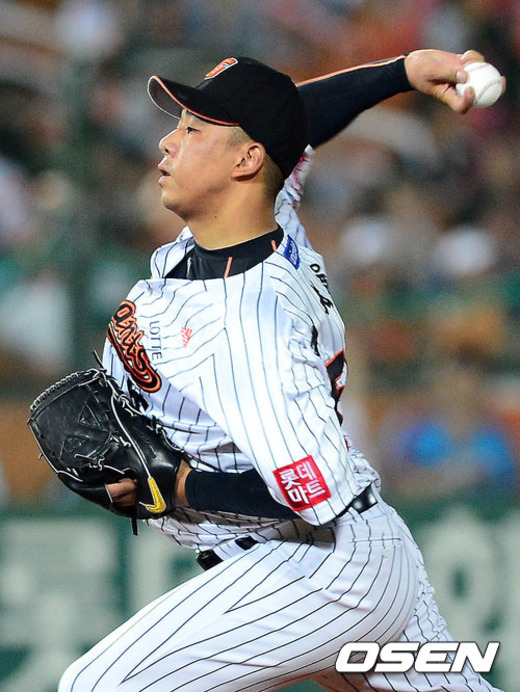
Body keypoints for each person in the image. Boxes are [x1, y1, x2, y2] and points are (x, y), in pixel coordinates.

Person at [58, 50, 503, 691]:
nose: (168, 141)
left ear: (244, 162)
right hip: (347, 553)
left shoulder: (246, 323)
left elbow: (318, 491)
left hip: (322, 570)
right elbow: (293, 121)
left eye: (193, 130)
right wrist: (400, 73)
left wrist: (179, 487)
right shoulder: (263, 218)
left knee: (99, 687)